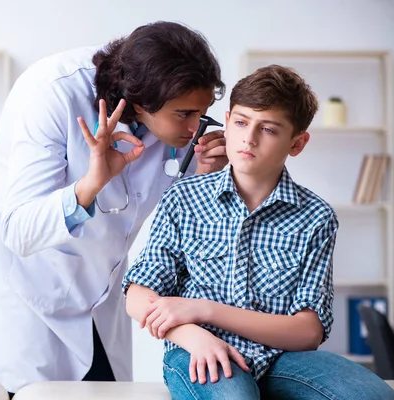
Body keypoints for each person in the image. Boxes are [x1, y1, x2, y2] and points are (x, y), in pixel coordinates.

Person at [0, 21, 229, 396]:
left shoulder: (175, 125)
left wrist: (204, 177)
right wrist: (91, 185)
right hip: (28, 276)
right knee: (30, 393)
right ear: (142, 103)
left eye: (201, 113)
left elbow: (181, 227)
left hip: (101, 277)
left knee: (105, 391)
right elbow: (19, 231)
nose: (195, 128)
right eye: (184, 114)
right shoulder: (51, 93)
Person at [123, 64, 394, 399]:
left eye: (268, 129)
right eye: (240, 122)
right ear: (227, 121)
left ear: (297, 143)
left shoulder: (316, 216)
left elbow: (308, 331)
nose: (248, 138)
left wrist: (204, 308)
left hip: (284, 358)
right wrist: (196, 335)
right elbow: (138, 297)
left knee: (374, 394)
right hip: (199, 350)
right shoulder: (184, 198)